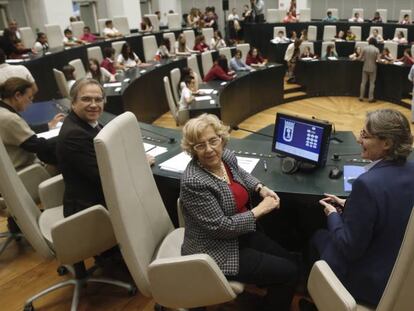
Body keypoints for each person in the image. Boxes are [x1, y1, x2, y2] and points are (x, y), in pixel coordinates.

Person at [180, 113, 299, 311]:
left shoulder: (224, 156)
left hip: (240, 234)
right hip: (215, 249)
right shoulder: (194, 181)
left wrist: (260, 187)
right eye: (200, 145)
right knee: (290, 272)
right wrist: (260, 209)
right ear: (192, 149)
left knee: (291, 260)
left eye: (213, 141)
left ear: (221, 139)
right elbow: (221, 227)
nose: (209, 149)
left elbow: (239, 173)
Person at [312, 109, 414, 307]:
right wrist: (350, 205)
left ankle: (320, 297)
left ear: (387, 143)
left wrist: (333, 214)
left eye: (365, 135)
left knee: (317, 236)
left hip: (369, 284)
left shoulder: (366, 184)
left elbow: (349, 248)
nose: (359, 140)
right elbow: (394, 209)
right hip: (401, 274)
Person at [56, 78, 154, 217]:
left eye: (98, 99)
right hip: (92, 211)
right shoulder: (75, 135)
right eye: (86, 99)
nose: (94, 105)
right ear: (73, 103)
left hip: (100, 198)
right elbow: (105, 177)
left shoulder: (86, 123)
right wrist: (139, 163)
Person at [0, 77, 64, 169]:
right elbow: (36, 145)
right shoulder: (9, 118)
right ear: (18, 95)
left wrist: (48, 125)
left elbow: (23, 130)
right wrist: (63, 138)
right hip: (26, 169)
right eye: (29, 98)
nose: (30, 102)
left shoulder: (3, 110)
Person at [359, 38, 380, 102]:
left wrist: (355, 58)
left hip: (365, 67)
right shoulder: (376, 49)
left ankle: (361, 97)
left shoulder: (365, 48)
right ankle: (370, 98)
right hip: (373, 68)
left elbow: (360, 58)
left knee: (363, 83)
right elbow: (378, 60)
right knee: (372, 83)